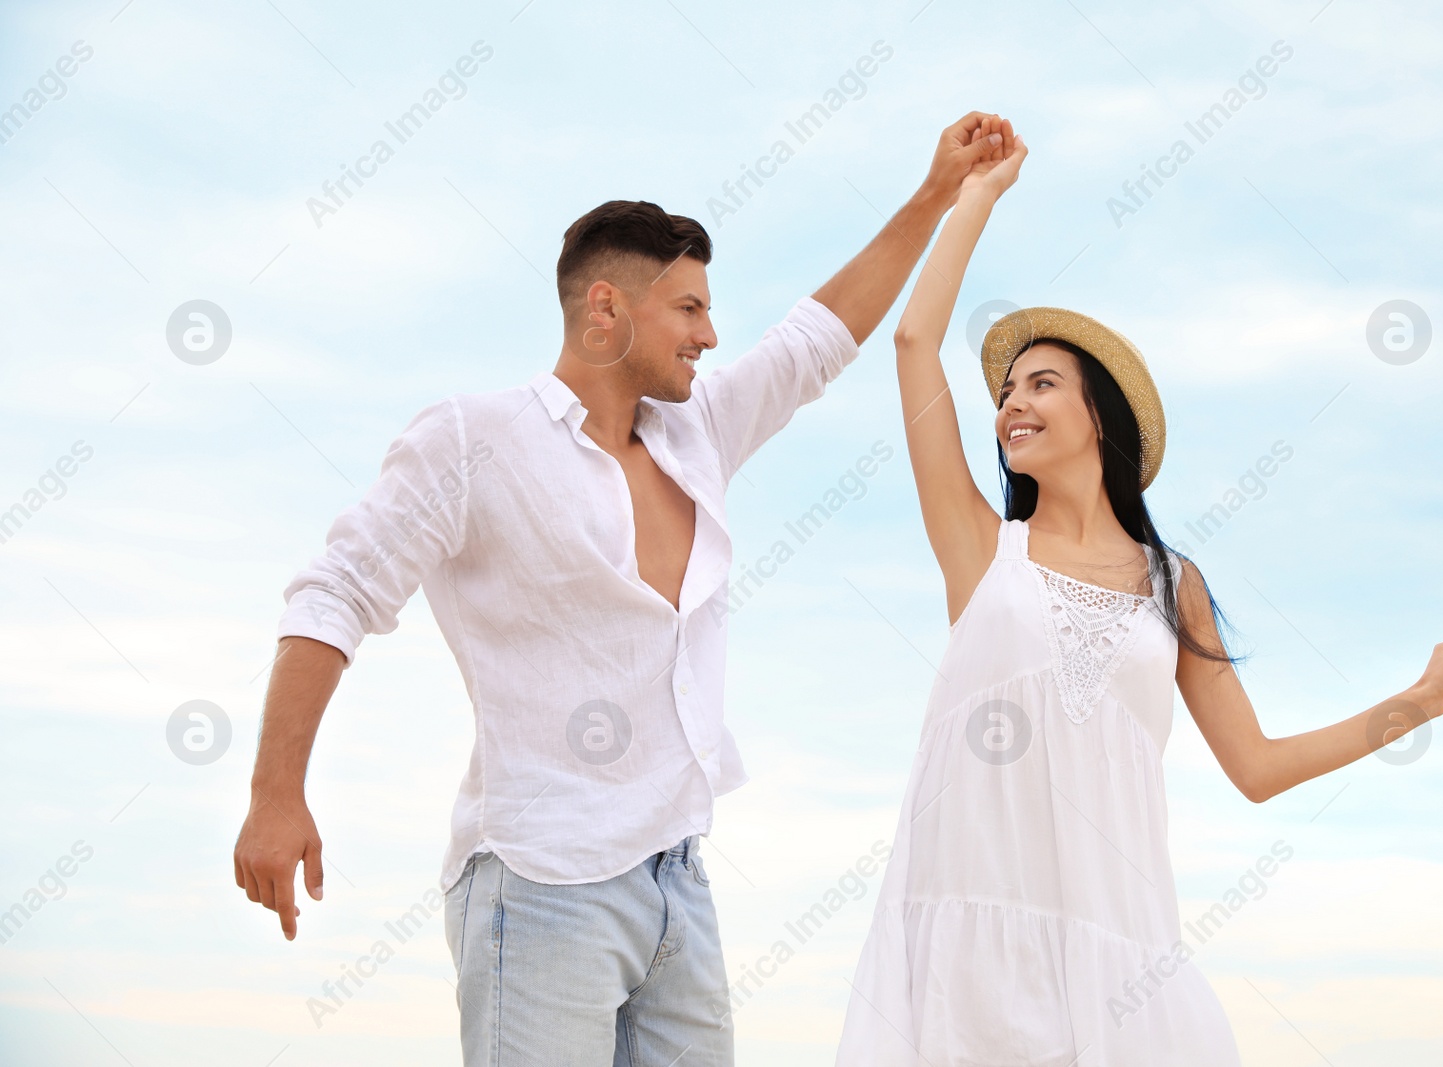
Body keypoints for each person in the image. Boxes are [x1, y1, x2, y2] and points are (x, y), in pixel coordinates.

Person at [231, 114, 1010, 1065]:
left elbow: (821, 337)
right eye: (687, 308)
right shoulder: (474, 443)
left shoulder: (699, 433)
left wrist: (937, 194)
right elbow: (335, 594)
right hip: (540, 881)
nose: (710, 334)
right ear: (608, 309)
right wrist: (277, 795)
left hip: (678, 881)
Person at [833, 115, 1443, 1066]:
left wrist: (1412, 703)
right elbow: (912, 339)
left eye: (1042, 383)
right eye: (1006, 390)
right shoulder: (984, 550)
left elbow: (1257, 767)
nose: (1011, 403)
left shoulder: (1172, 584)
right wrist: (973, 196)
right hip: (967, 966)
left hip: (1120, 969)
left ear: (1100, 415)